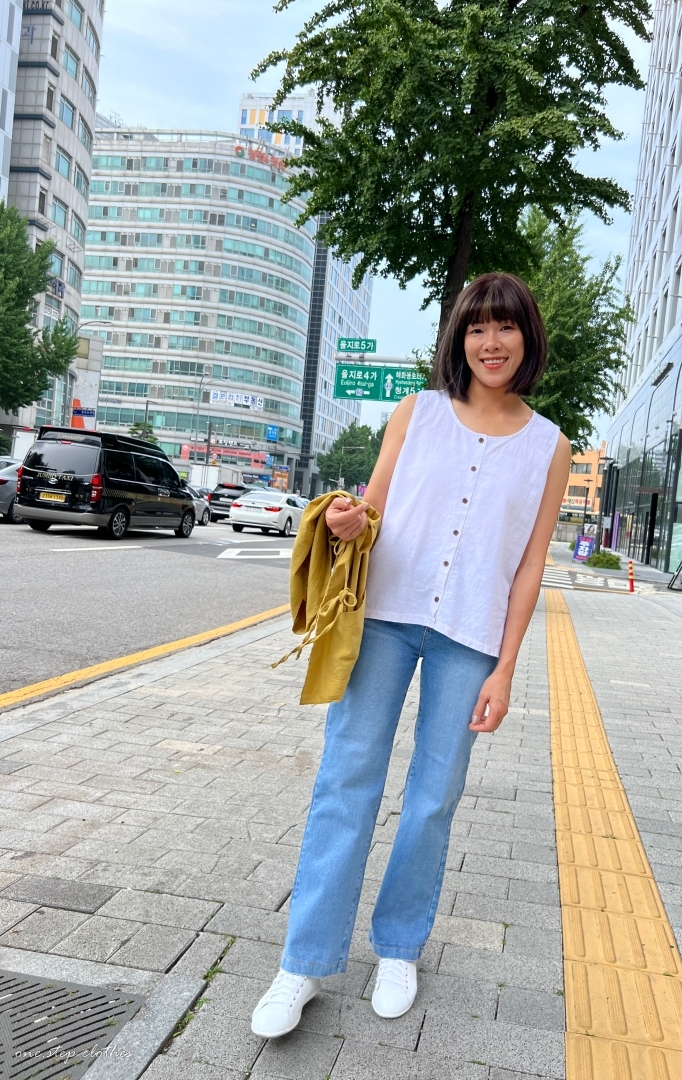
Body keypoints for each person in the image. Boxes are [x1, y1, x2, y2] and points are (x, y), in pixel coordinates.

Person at [251, 271, 571, 1038]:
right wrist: (347, 519)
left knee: (434, 796)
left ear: (527, 338)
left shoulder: (550, 446)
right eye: (476, 327)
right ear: (459, 338)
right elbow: (374, 508)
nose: (490, 342)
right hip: (386, 619)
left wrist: (506, 667)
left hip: (471, 635)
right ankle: (303, 962)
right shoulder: (417, 412)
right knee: (346, 781)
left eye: (505, 326)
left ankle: (399, 947)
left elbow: (531, 564)